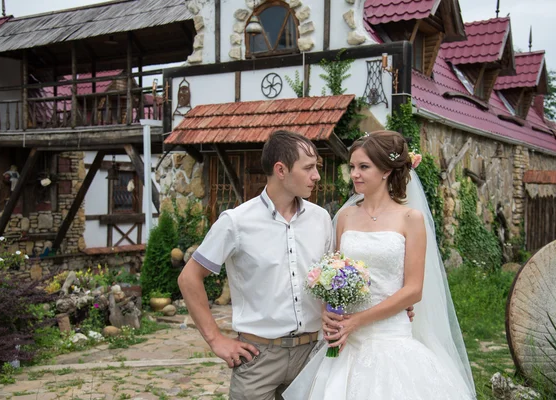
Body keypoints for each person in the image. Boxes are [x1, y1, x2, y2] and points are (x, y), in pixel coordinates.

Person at [283, 130, 476, 399]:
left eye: (364, 167)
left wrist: (357, 321)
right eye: (352, 167)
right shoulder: (345, 217)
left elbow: (413, 290)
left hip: (390, 337)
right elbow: (335, 274)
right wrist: (329, 309)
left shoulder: (411, 218)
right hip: (347, 340)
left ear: (386, 170)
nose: (355, 174)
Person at [178, 130, 334, 400]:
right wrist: (216, 339)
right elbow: (189, 277)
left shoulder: (321, 219)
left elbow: (332, 281)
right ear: (281, 170)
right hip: (258, 358)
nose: (316, 176)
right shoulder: (236, 222)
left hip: (311, 355)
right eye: (308, 168)